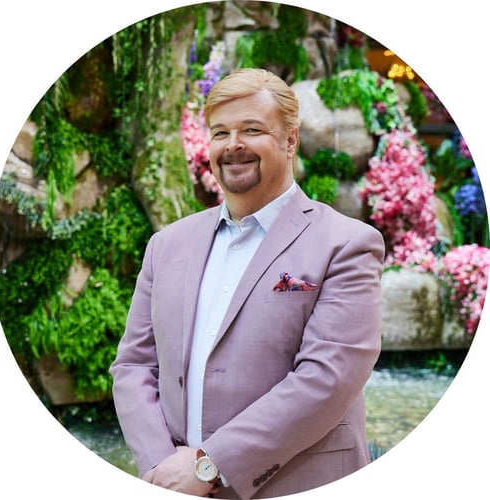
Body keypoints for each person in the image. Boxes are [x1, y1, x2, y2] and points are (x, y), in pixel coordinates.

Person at [110, 68, 385, 499]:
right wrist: (162, 468)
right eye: (220, 132)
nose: (233, 145)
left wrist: (210, 465)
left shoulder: (348, 244)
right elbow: (133, 367)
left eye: (252, 129)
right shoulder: (166, 245)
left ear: (290, 141)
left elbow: (326, 380)